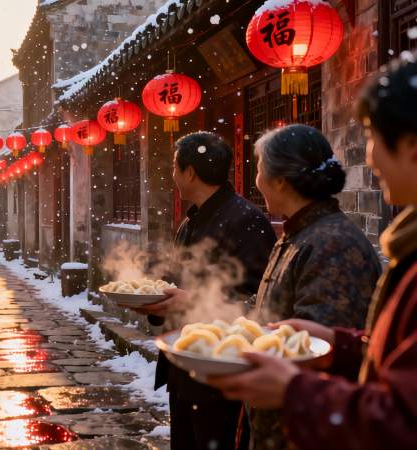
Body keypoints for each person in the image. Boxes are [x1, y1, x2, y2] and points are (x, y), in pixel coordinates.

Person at [208, 53, 417, 450]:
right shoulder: (299, 234)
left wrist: (294, 391)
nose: (368, 156)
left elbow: (403, 420)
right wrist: (336, 343)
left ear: (411, 145)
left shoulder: (332, 243)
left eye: (373, 137)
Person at [129, 132, 276, 450]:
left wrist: (193, 301)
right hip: (184, 365)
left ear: (189, 172)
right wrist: (155, 299)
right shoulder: (191, 221)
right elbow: (175, 282)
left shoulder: (246, 221)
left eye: (173, 167)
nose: (172, 175)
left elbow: (262, 304)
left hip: (221, 373)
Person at [242, 124, 381, 450]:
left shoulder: (331, 243)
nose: (256, 181)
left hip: (305, 429)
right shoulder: (300, 233)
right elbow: (276, 315)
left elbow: (314, 345)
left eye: (260, 170)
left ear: (280, 180)